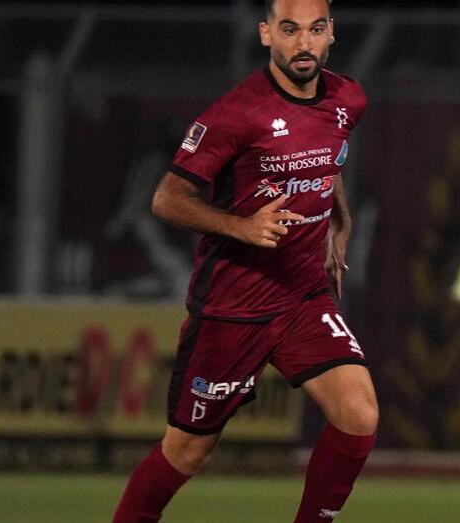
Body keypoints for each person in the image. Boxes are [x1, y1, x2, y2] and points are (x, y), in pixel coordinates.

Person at [112, 1, 377, 521]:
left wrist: (339, 217)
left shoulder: (348, 98)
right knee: (188, 451)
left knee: (359, 414)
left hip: (302, 298)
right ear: (266, 34)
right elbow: (167, 199)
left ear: (331, 35)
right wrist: (243, 226)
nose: (304, 44)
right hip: (232, 309)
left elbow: (330, 155)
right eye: (290, 30)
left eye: (315, 30)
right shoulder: (237, 114)